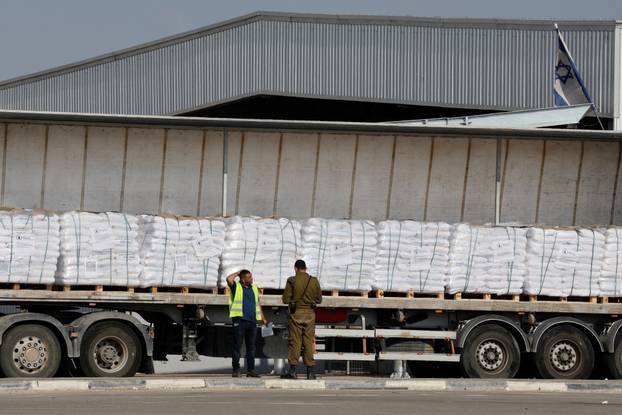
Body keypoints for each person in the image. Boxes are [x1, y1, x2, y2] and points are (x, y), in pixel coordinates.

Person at [281, 259, 322, 380]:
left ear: (295, 268)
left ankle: (293, 371)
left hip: (296, 314)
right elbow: (319, 300)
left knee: (295, 341)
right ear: (306, 268)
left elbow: (285, 300)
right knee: (308, 342)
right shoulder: (314, 281)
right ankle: (310, 372)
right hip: (310, 314)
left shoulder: (292, 280)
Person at [226, 269, 267, 378]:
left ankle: (251, 370)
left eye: (251, 277)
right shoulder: (236, 287)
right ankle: (236, 370)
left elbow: (258, 303)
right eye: (249, 277)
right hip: (240, 321)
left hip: (252, 322)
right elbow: (229, 279)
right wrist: (238, 273)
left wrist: (263, 318)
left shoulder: (254, 288)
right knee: (237, 347)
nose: (251, 279)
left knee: (251, 348)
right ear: (243, 280)